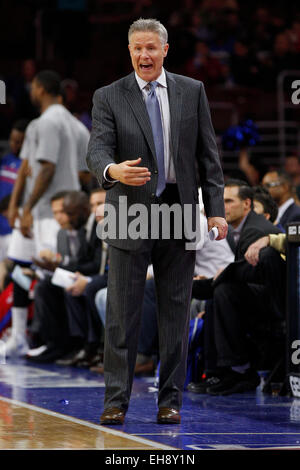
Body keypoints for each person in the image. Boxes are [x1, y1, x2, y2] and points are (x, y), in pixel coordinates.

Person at [86, 18, 227, 425]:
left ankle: (171, 400)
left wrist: (215, 209)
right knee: (121, 315)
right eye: (136, 49)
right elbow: (97, 149)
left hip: (179, 209)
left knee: (175, 314)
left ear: (166, 49)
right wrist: (113, 171)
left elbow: (208, 157)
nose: (144, 55)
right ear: (129, 52)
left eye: (151, 48)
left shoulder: (191, 90)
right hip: (129, 210)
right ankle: (116, 400)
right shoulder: (108, 96)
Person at [5, 70, 81, 356]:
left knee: (49, 274)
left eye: (33, 88)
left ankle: (53, 339)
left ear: (40, 89)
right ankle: (23, 336)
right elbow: (86, 174)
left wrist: (24, 207)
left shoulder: (44, 123)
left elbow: (43, 167)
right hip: (60, 209)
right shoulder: (77, 126)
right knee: (23, 269)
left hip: (46, 212)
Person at [0, 119, 28, 261]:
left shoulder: (29, 165)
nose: (14, 145)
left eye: (19, 142)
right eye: (12, 140)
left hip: (14, 227)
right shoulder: (4, 161)